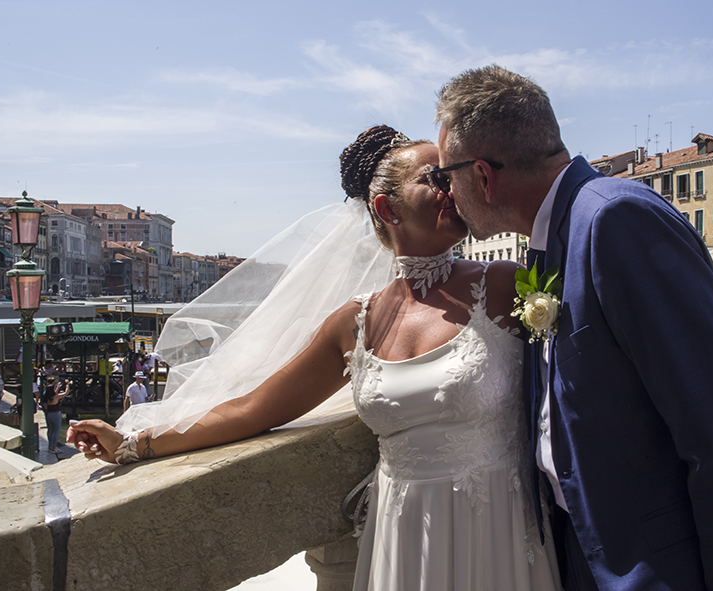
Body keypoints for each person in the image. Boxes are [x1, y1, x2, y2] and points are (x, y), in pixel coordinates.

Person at [69, 126, 561, 591]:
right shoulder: (354, 324)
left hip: (499, 520)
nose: (453, 185)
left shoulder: (502, 285)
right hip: (402, 530)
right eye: (435, 178)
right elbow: (253, 409)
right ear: (387, 208)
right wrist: (134, 444)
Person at [432, 64, 713, 590]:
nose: (443, 193)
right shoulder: (553, 239)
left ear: (483, 177)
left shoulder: (615, 220)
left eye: (443, 176)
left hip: (672, 571)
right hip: (595, 561)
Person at [41, 377, 69, 452]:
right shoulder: (56, 397)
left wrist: (57, 388)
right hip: (56, 414)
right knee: (56, 432)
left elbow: (52, 393)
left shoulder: (48, 398)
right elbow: (66, 393)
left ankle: (50, 446)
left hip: (49, 414)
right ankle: (53, 447)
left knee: (51, 431)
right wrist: (67, 384)